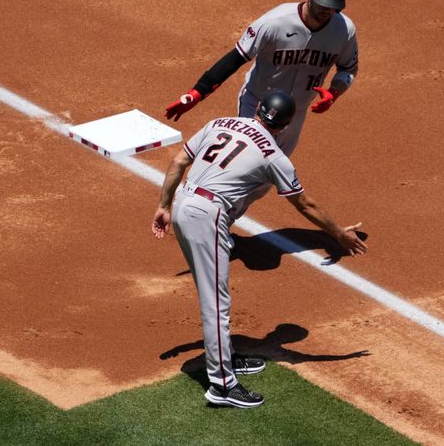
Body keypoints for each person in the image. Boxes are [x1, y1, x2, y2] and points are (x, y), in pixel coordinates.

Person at [152, 91, 367, 408]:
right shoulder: (273, 154)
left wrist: (163, 205)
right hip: (206, 216)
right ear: (286, 123)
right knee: (215, 302)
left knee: (213, 293)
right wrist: (338, 235)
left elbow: (179, 160)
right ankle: (222, 385)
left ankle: (225, 358)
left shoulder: (220, 123)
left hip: (184, 201)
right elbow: (304, 203)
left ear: (259, 110)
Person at [164, 0, 359, 219]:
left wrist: (335, 92)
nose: (325, 11)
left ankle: (224, 217)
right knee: (241, 166)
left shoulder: (344, 30)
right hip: (257, 105)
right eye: (321, 4)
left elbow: (348, 69)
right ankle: (204, 207)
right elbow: (235, 58)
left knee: (264, 180)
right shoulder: (274, 22)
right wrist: (197, 93)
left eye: (331, 7)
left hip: (295, 114)